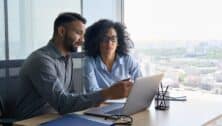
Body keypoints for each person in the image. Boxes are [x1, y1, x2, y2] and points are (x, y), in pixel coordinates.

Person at [13, 12, 132, 120]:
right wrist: (107, 93)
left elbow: (70, 97)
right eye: (78, 33)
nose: (82, 40)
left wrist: (97, 100)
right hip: (33, 121)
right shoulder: (41, 61)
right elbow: (62, 103)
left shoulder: (67, 59)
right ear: (61, 31)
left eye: (83, 35)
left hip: (57, 117)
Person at [84, 19, 142, 93]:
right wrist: (115, 91)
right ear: (97, 41)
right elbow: (91, 91)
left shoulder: (127, 59)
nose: (109, 43)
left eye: (113, 39)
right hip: (101, 104)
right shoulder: (90, 62)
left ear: (118, 42)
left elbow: (140, 83)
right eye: (104, 39)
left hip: (125, 103)